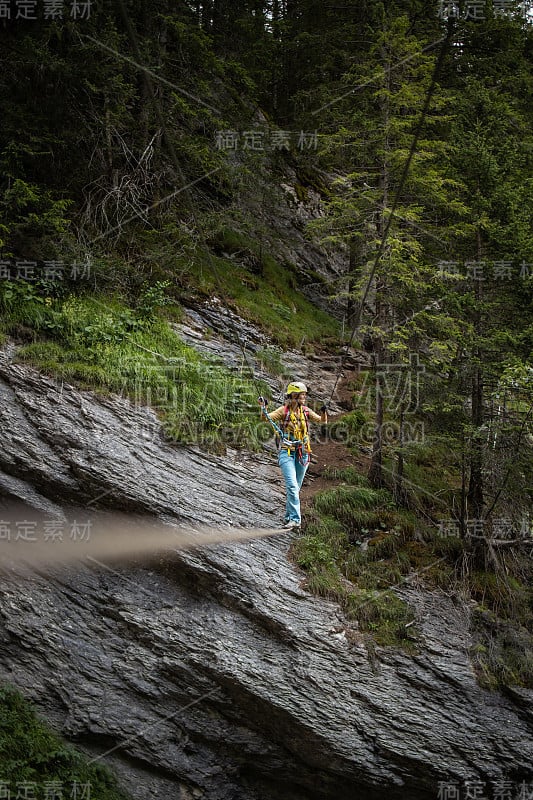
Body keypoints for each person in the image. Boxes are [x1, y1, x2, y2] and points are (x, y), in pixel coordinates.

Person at [260, 381, 327, 531]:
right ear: (293, 396)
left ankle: (289, 518)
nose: (304, 397)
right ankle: (296, 520)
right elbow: (265, 418)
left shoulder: (306, 411)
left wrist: (323, 412)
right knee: (291, 486)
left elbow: (323, 421)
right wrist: (263, 407)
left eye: (304, 395)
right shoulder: (283, 411)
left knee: (295, 489)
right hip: (286, 453)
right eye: (301, 395)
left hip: (302, 454)